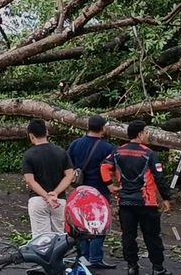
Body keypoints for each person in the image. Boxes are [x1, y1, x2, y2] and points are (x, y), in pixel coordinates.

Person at [101, 121, 172, 275]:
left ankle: (132, 266)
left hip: (125, 202)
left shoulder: (117, 152)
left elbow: (104, 167)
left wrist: (110, 186)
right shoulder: (149, 154)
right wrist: (166, 198)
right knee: (152, 236)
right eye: (146, 132)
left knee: (128, 236)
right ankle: (158, 268)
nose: (148, 135)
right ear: (140, 134)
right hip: (146, 202)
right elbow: (159, 177)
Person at [67, 115, 116, 270]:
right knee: (100, 223)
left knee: (81, 223)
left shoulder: (76, 144)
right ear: (102, 128)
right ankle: (95, 258)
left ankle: (83, 256)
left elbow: (69, 166)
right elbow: (111, 170)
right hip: (100, 192)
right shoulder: (107, 148)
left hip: (80, 191)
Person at [22, 119, 74, 237]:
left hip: (38, 200)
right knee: (59, 237)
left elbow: (30, 180)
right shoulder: (61, 152)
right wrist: (54, 194)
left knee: (41, 239)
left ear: (31, 136)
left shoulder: (29, 155)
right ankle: (58, 256)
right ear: (47, 132)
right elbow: (69, 176)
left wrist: (46, 196)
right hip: (59, 200)